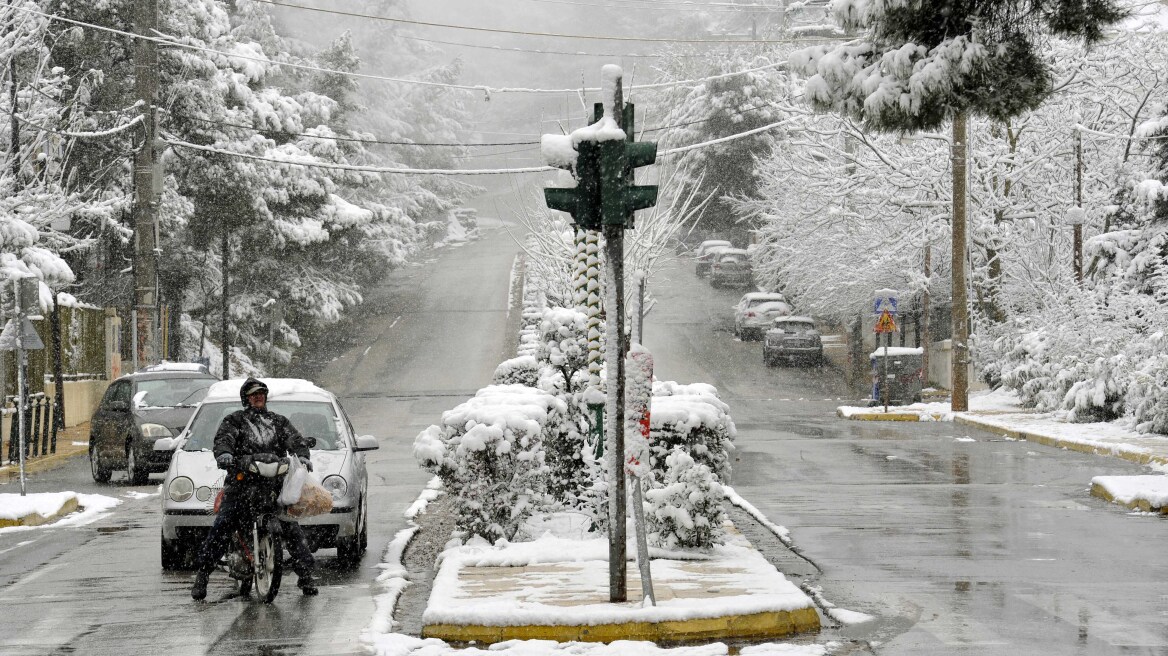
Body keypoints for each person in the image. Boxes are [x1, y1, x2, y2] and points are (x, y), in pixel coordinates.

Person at [191, 377, 319, 600]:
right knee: (223, 524)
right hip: (241, 485)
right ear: (246, 399)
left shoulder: (278, 421)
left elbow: (295, 441)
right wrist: (225, 455)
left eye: (261, 393)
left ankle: (306, 575)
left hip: (273, 487)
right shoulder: (234, 421)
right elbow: (224, 440)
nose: (258, 397)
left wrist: (303, 456)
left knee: (291, 527)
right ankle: (203, 575)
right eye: (253, 394)